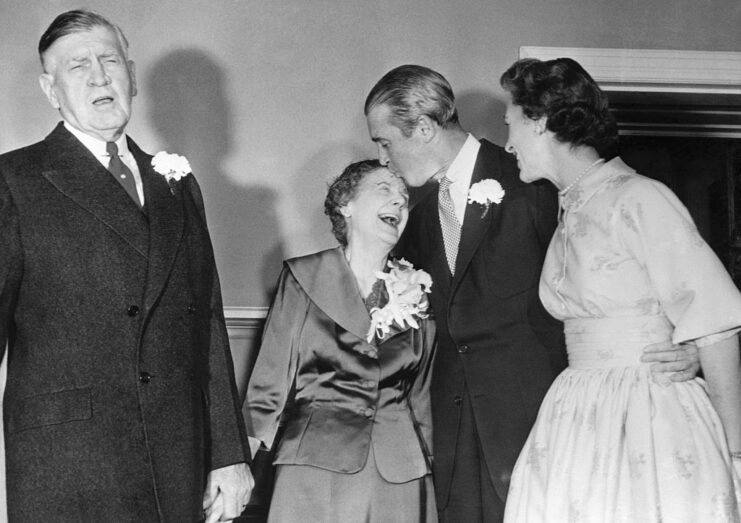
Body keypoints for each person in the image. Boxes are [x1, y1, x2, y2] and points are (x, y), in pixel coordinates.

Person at [364, 64, 702, 522]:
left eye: (384, 142)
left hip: (541, 427)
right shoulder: (417, 219)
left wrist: (687, 345)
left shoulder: (536, 181)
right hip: (453, 440)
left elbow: (620, 271)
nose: (383, 158)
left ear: (423, 128)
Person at [0, 10, 252, 522]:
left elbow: (206, 320)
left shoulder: (177, 185)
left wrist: (228, 454)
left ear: (131, 76)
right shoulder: (15, 179)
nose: (98, 75)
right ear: (51, 91)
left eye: (109, 59)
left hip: (176, 456)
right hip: (68, 463)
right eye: (77, 66)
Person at [500, 57, 741, 522]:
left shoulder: (639, 197)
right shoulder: (567, 211)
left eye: (510, 124)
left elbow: (717, 325)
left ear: (541, 121)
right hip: (577, 415)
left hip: (650, 418)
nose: (507, 142)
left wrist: (735, 459)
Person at [244, 160, 437, 522]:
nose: (398, 201)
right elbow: (269, 383)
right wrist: (238, 467)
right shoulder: (304, 277)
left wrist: (431, 463)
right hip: (316, 462)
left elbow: (421, 395)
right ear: (345, 205)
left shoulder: (417, 289)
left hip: (399, 472)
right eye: (384, 188)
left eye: (403, 197)